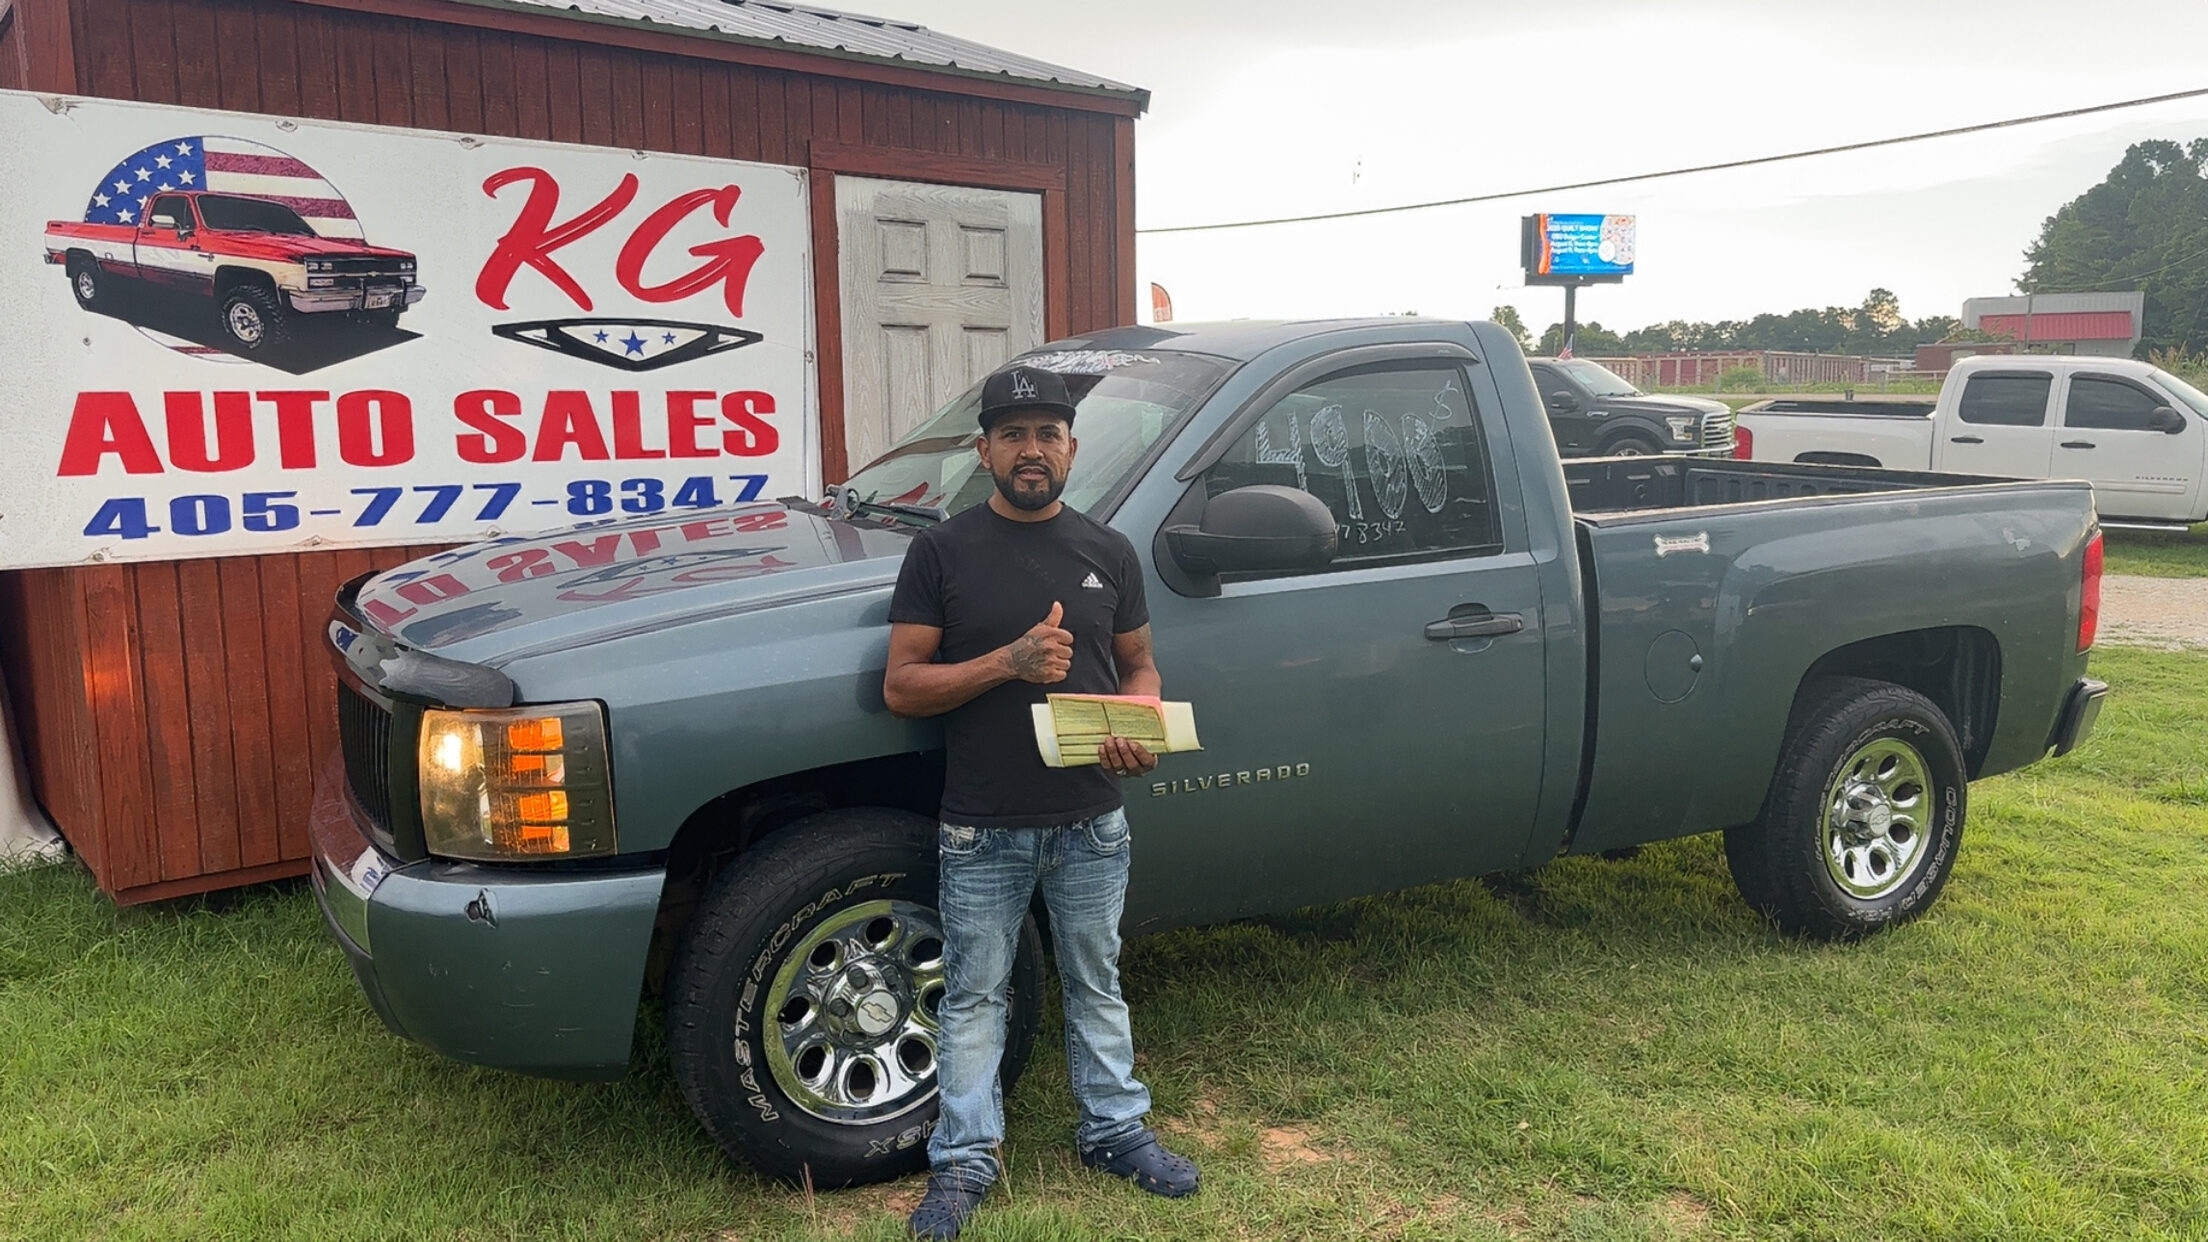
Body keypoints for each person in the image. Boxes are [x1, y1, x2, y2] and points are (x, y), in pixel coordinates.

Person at [883, 364, 1199, 1240]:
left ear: (1071, 447)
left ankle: (1114, 1130)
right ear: (984, 450)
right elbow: (904, 687)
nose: (1033, 450)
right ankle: (964, 1161)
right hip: (982, 826)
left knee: (1097, 982)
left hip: (1093, 820)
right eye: (1014, 434)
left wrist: (1140, 720)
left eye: (1048, 434)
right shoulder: (941, 552)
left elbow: (1138, 663)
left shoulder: (1108, 550)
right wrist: (1006, 665)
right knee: (975, 995)